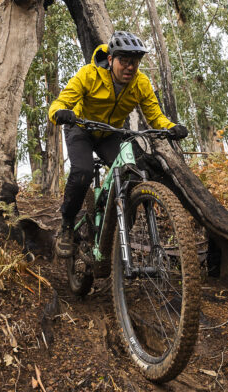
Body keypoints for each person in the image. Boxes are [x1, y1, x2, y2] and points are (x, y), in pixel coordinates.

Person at [48, 30, 188, 257]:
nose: (130, 67)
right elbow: (61, 102)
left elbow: (155, 116)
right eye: (124, 60)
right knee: (83, 172)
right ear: (111, 59)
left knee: (130, 175)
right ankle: (66, 224)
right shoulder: (89, 74)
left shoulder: (141, 83)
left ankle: (114, 226)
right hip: (81, 128)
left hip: (110, 133)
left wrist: (171, 127)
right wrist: (60, 113)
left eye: (135, 62)